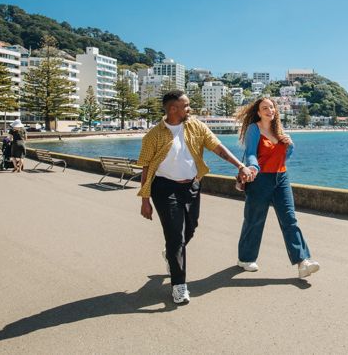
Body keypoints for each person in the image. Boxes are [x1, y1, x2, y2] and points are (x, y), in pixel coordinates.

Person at [137, 90, 251, 304]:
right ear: (173, 109)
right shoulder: (153, 135)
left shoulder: (195, 126)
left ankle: (171, 253)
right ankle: (179, 286)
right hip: (164, 189)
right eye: (186, 105)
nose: (190, 109)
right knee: (176, 236)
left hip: (191, 186)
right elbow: (145, 168)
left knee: (191, 227)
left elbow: (218, 147)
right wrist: (145, 200)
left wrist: (240, 165)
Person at [237, 97, 320, 278]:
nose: (270, 110)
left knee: (289, 219)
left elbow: (283, 157)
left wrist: (290, 146)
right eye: (265, 108)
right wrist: (253, 167)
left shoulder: (279, 130)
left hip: (281, 177)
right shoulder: (254, 129)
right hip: (259, 179)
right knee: (254, 220)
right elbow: (251, 153)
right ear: (258, 112)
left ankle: (303, 262)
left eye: (272, 107)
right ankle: (245, 258)